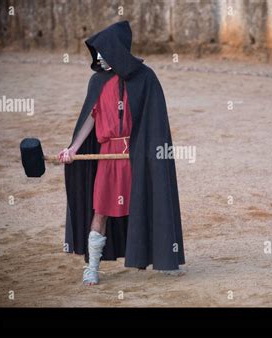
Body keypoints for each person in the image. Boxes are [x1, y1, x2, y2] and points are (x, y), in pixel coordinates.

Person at [58, 21, 185, 285]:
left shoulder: (145, 78)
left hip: (137, 156)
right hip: (108, 156)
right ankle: (92, 267)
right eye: (97, 53)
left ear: (117, 51)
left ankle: (165, 260)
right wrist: (72, 148)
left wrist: (148, 153)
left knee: (150, 203)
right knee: (101, 211)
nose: (99, 58)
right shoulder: (98, 82)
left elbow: (154, 122)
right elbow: (90, 119)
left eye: (104, 52)